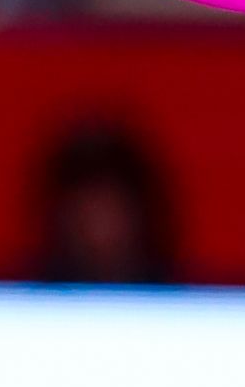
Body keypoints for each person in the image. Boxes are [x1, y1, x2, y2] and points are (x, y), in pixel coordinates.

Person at [29, 116, 177, 285]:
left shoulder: (187, 304)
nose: (100, 232)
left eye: (112, 212)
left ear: (141, 216)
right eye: (85, 216)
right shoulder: (21, 304)